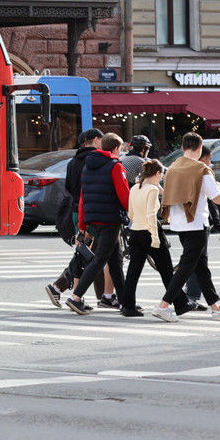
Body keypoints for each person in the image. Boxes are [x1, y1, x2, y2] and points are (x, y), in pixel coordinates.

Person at [153, 131, 220, 322]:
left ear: (182, 148)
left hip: (178, 222)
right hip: (196, 223)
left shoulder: (172, 168)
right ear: (199, 147)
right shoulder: (201, 170)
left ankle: (216, 307)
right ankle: (163, 305)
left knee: (200, 266)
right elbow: (218, 199)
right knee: (188, 266)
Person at [66, 133, 130, 315]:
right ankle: (76, 297)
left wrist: (83, 224)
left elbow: (82, 199)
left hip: (94, 218)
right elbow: (124, 196)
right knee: (100, 259)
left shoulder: (88, 166)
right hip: (111, 218)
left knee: (115, 260)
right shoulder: (116, 166)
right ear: (115, 148)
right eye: (121, 149)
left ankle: (126, 302)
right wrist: (133, 213)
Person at [45, 128, 110, 307]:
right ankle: (60, 288)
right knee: (88, 255)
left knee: (89, 253)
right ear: (96, 140)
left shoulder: (73, 161)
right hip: (90, 212)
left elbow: (69, 187)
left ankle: (101, 296)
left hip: (76, 211)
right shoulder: (95, 160)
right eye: (101, 139)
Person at [119, 160, 175, 317]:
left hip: (135, 231)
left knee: (133, 271)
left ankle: (128, 306)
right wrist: (155, 237)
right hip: (150, 231)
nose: (161, 179)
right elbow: (151, 215)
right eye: (161, 176)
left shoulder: (135, 187)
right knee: (166, 269)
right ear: (157, 174)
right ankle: (180, 302)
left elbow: (130, 213)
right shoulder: (152, 190)